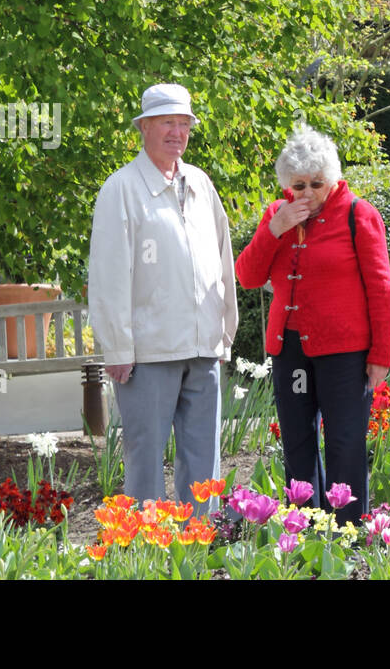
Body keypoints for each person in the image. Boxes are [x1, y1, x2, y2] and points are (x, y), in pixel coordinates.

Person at [89, 83, 239, 514]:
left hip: (202, 348)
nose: (177, 132)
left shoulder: (201, 184)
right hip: (148, 354)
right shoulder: (121, 188)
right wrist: (116, 346)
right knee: (145, 463)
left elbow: (222, 258)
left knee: (204, 465)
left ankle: (198, 544)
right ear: (145, 128)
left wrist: (224, 332)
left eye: (184, 123)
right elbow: (108, 275)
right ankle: (142, 550)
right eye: (167, 122)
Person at [235, 125, 390, 525]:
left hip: (344, 352)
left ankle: (349, 532)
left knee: (344, 443)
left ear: (333, 179)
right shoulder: (279, 213)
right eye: (298, 185)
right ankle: (303, 528)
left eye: (316, 184)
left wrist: (380, 356)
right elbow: (248, 276)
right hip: (291, 350)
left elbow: (381, 288)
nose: (307, 194)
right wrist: (276, 228)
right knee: (297, 443)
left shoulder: (359, 213)